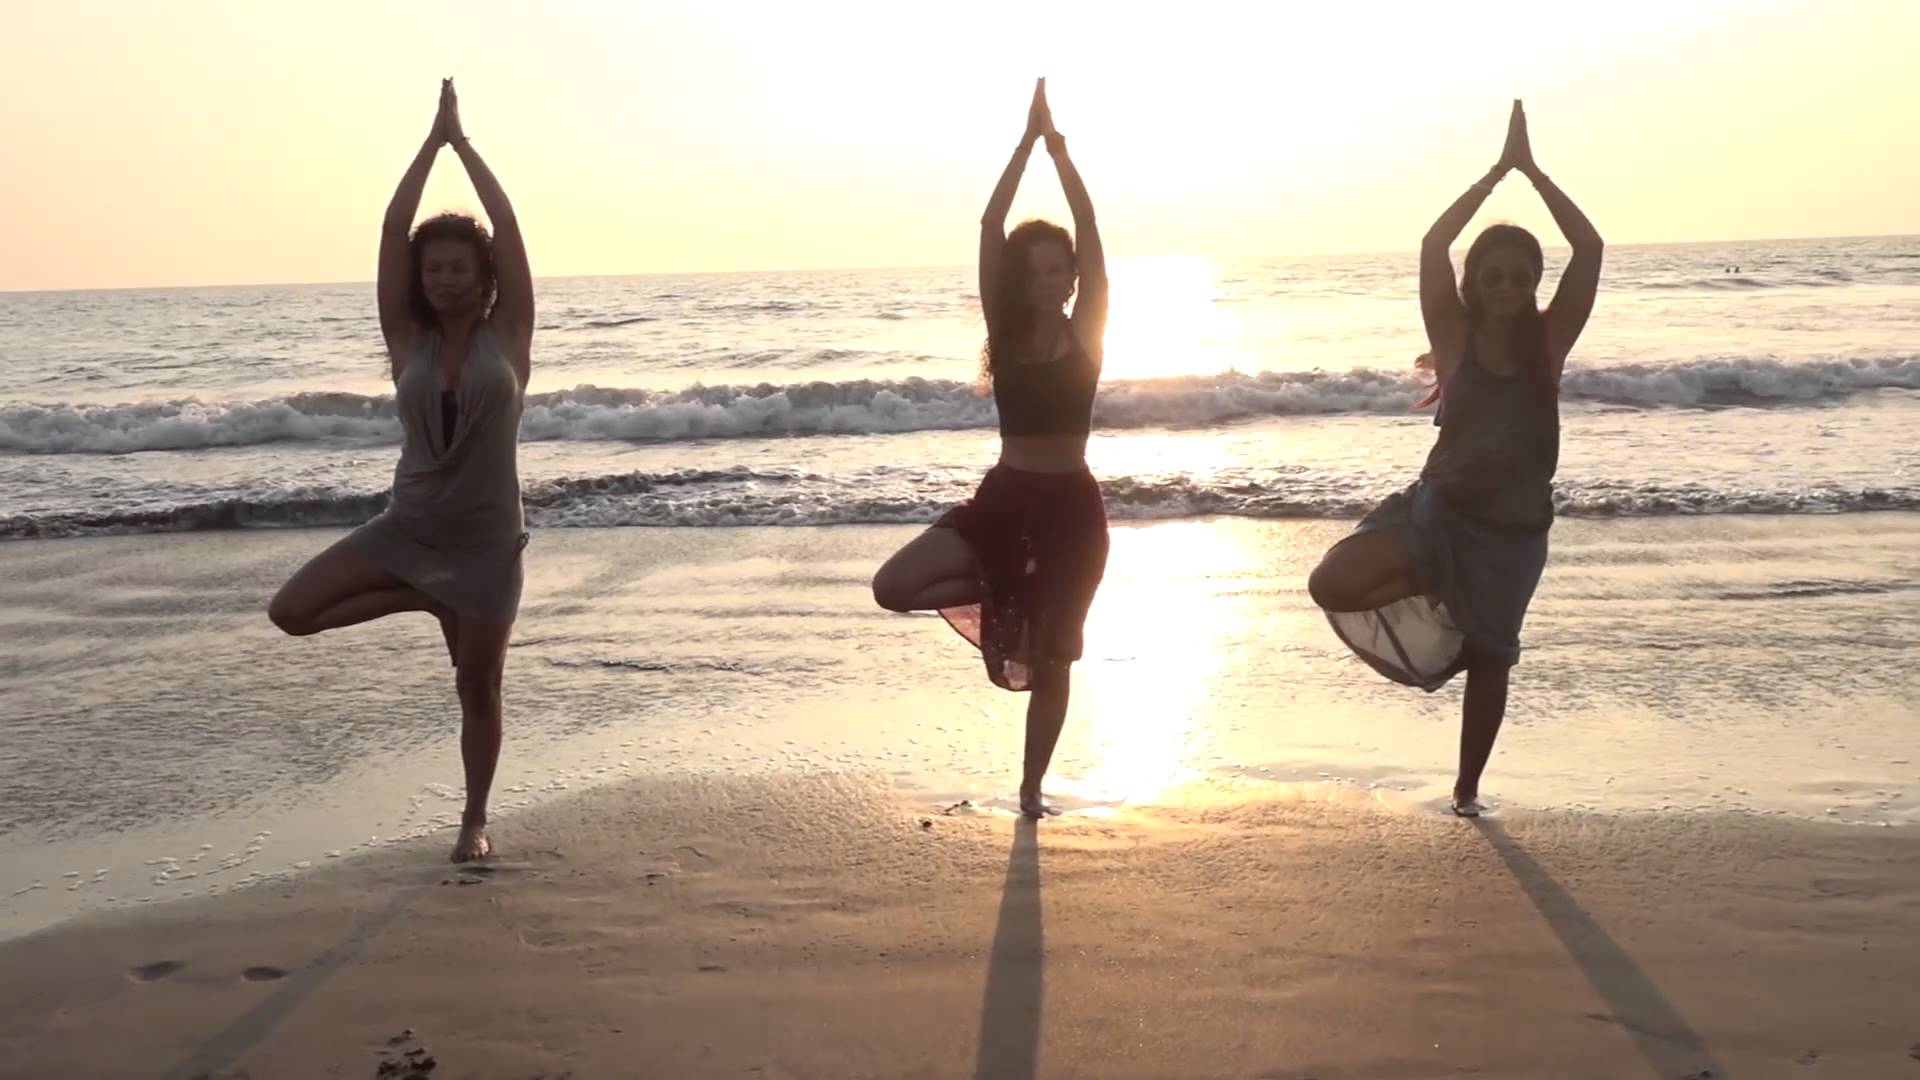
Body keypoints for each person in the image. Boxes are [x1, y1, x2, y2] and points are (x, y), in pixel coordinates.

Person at [1306, 100, 1603, 817]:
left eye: (1518, 275)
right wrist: (1494, 175)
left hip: (1512, 537)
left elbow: (1590, 250)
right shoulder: (1454, 338)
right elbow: (1433, 246)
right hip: (1436, 519)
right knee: (1331, 581)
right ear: (1474, 285)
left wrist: (1534, 173)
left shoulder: (1548, 343)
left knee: (1493, 664)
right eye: (1492, 275)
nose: (1506, 286)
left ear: (1534, 282)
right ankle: (1443, 608)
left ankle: (1467, 793)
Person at [268, 79, 533, 861]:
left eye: (459, 268)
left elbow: (509, 225)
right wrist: (429, 142)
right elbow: (392, 227)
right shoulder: (404, 342)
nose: (445, 278)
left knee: (478, 689)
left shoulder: (511, 335)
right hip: (409, 527)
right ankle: (423, 598)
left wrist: (466, 146)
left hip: (487, 543)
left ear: (482, 279)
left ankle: (473, 820)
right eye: (434, 269)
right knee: (292, 612)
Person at [871, 78, 1109, 818]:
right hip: (1002, 501)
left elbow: (1090, 224)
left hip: (1071, 511)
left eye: (1056, 267)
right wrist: (1023, 145)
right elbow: (987, 224)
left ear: (1071, 278)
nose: (1047, 278)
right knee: (892, 586)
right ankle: (1001, 587)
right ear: (1019, 278)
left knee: (1058, 659)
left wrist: (1061, 151)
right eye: (1032, 268)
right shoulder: (1003, 337)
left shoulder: (1088, 332)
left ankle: (1031, 790)